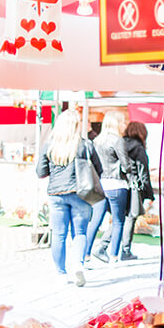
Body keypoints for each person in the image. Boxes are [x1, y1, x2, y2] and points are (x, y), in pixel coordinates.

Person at [36, 109, 102, 286]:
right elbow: (99, 169)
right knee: (79, 233)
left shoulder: (49, 145)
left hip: (56, 195)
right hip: (81, 194)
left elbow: (40, 172)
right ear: (76, 126)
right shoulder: (85, 145)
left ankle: (60, 273)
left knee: (58, 234)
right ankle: (78, 265)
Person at [87, 114, 132, 265]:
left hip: (100, 184)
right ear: (116, 124)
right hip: (116, 184)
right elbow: (126, 165)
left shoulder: (96, 141)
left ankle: (86, 254)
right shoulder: (118, 141)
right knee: (118, 221)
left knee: (96, 220)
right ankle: (113, 256)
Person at [119, 121, 154, 261]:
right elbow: (143, 171)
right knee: (130, 217)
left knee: (118, 218)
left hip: (119, 183)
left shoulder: (121, 144)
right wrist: (149, 194)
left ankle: (106, 247)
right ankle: (125, 250)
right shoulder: (138, 148)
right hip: (133, 186)